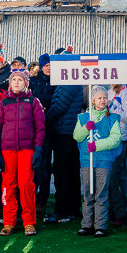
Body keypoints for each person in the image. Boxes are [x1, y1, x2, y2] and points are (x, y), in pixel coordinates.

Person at [0, 69, 45, 236]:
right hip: (7, 150)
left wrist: (38, 149)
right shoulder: (3, 103)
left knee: (26, 184)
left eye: (19, 80)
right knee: (8, 185)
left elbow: (40, 127)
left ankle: (29, 222)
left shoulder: (33, 102)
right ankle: (9, 221)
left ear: (25, 83)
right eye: (13, 80)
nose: (16, 82)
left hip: (27, 149)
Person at [74, 85, 122, 237]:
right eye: (99, 98)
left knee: (101, 194)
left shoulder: (112, 118)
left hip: (103, 160)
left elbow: (115, 138)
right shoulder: (83, 117)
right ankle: (87, 224)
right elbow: (77, 136)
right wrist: (85, 129)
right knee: (88, 193)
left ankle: (100, 225)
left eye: (105, 97)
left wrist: (97, 145)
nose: (102, 100)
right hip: (86, 161)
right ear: (93, 101)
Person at [45, 80, 84, 224]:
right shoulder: (72, 83)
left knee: (62, 172)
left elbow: (59, 107)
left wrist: (43, 118)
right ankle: (73, 208)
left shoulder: (68, 83)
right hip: (70, 131)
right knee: (72, 172)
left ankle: (62, 211)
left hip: (64, 132)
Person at [108, 80, 127, 227]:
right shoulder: (109, 92)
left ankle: (121, 213)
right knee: (108, 176)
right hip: (107, 138)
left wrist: (112, 108)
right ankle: (111, 210)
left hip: (120, 138)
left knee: (116, 176)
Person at [30, 54, 54, 213]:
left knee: (45, 165)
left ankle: (42, 200)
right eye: (46, 66)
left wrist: (41, 101)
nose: (49, 68)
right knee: (33, 165)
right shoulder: (33, 80)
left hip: (50, 127)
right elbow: (32, 98)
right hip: (33, 127)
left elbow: (55, 99)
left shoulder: (57, 81)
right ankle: (31, 196)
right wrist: (43, 103)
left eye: (51, 66)